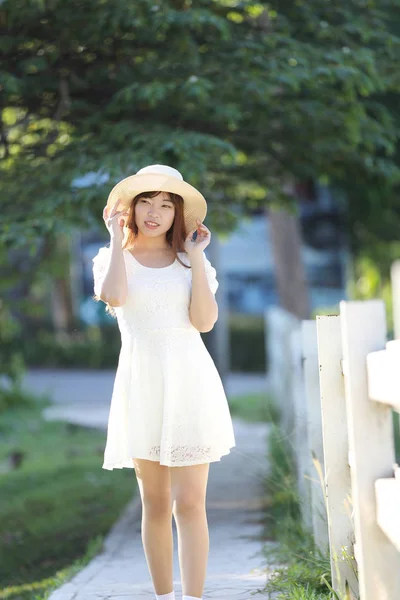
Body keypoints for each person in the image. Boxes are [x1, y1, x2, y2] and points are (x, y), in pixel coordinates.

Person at [92, 164, 236, 600]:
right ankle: (164, 597)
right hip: (142, 385)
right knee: (154, 504)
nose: (154, 213)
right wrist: (117, 239)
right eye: (146, 203)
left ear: (179, 215)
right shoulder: (109, 257)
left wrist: (195, 257)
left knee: (191, 503)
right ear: (129, 209)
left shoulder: (190, 262)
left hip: (191, 383)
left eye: (165, 205)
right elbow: (114, 296)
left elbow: (205, 322)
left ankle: (193, 597)